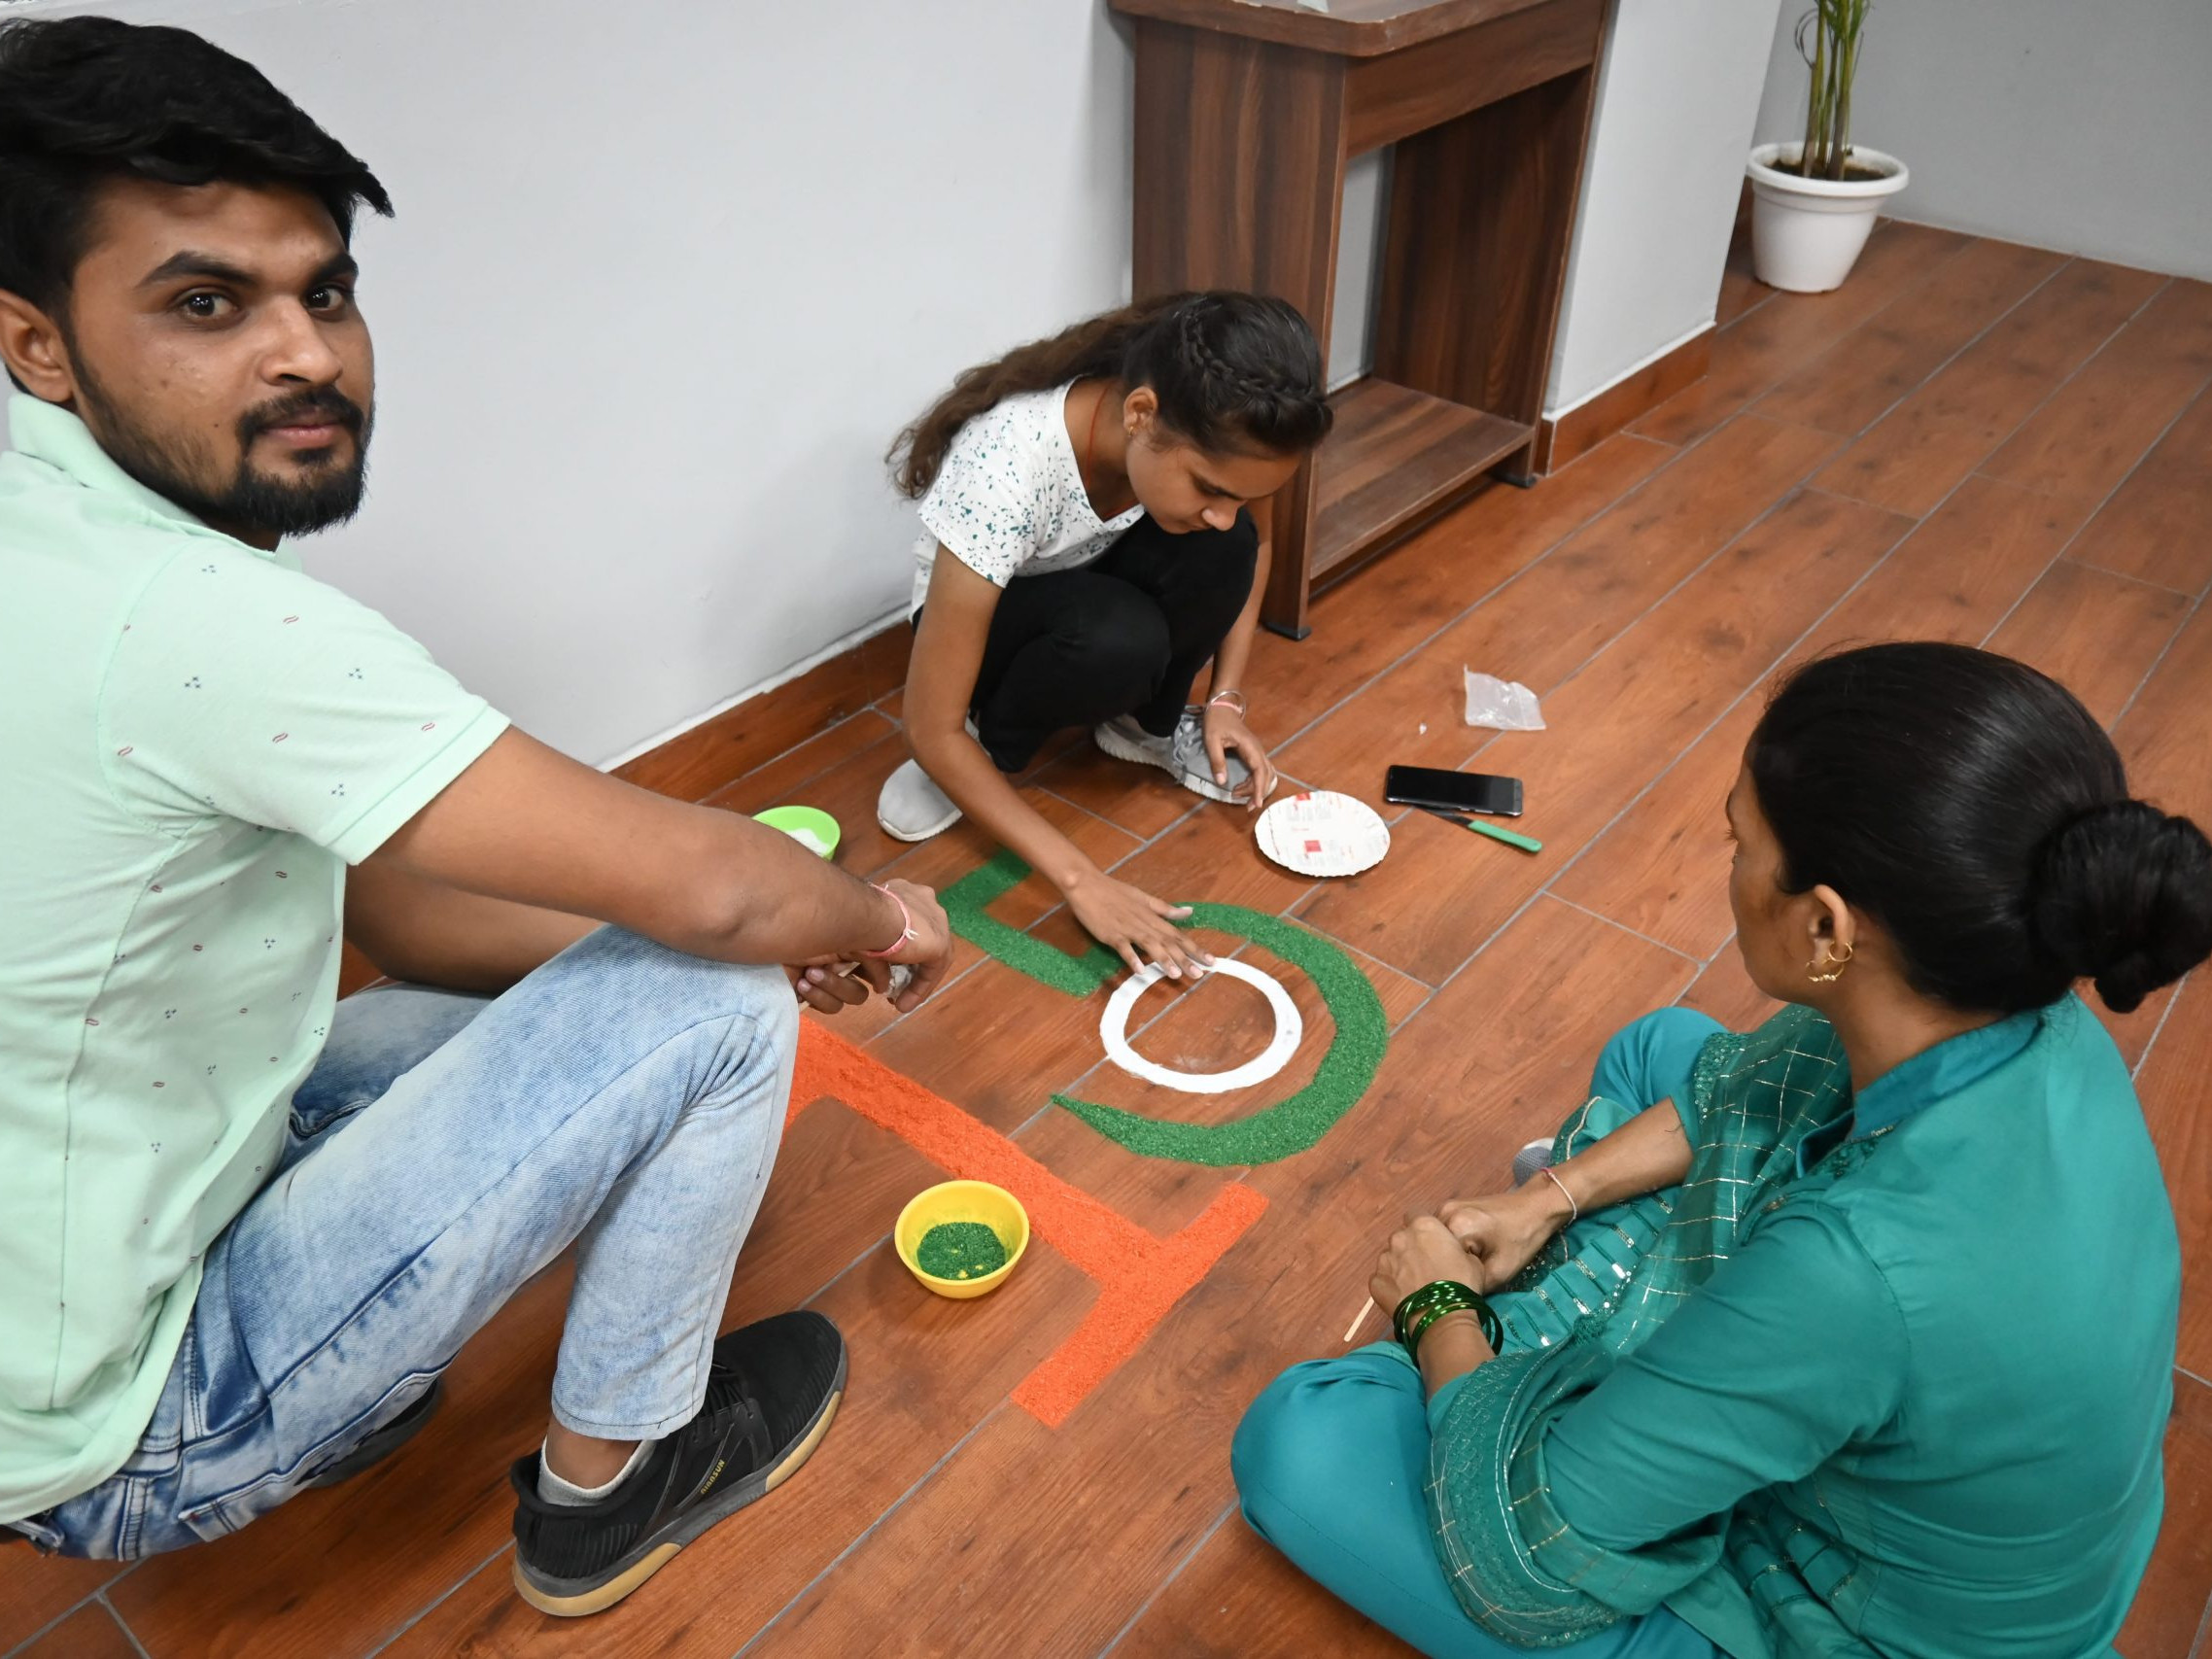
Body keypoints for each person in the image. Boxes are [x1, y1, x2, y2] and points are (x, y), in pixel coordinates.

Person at [0, 17, 955, 1617]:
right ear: (39, 342)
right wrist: (872, 916)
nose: (305, 351)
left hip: (83, 1244)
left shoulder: (65, 528)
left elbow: (399, 917)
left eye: (325, 290)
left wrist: (647, 983)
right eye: (203, 302)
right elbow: (719, 897)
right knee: (717, 989)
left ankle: (344, 1393)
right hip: (113, 1424)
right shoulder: (192, 619)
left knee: (635, 987)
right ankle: (613, 1488)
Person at [1232, 641, 2212, 1658]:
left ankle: (1574, 1335)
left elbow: (1520, 1553)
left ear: (1825, 926)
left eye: (1737, 843)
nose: (1728, 865)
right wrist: (1548, 1200)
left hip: (1849, 1615)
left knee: (1303, 1443)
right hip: (1917, 1414)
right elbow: (1749, 1075)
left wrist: (1440, 1312)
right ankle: (1605, 1288)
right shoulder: (2034, 1000)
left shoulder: (1853, 1270)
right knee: (1658, 1048)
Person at [875, 292, 1332, 980]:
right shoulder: (1006, 464)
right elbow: (923, 725)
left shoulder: (1187, 451)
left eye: (1241, 491)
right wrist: (1084, 881)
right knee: (1115, 637)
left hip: (1086, 576)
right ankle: (985, 743)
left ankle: (1143, 725)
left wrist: (1226, 699)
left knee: (1225, 545)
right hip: (983, 626)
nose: (1222, 510)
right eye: (1210, 486)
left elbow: (1252, 543)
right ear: (1141, 414)